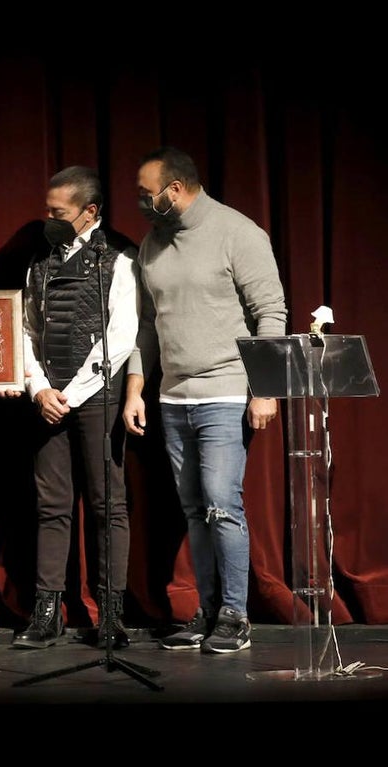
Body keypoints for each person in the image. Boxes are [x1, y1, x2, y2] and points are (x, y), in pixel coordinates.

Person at [123, 146, 287, 654]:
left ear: (175, 189)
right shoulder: (152, 244)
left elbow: (271, 313)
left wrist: (265, 390)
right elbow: (148, 325)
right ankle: (207, 610)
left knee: (222, 505)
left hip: (225, 390)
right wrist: (135, 388)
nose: (142, 205)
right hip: (173, 397)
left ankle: (236, 615)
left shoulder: (238, 232)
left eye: (147, 195)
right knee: (194, 509)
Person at [11, 166, 139, 651]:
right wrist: (40, 389)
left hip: (97, 397)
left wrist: (75, 393)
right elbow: (27, 330)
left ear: (90, 212)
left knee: (109, 505)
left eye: (57, 212)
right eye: (47, 210)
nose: (48, 218)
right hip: (49, 399)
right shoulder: (39, 262)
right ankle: (47, 611)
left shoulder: (120, 257)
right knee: (52, 505)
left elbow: (122, 333)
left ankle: (111, 613)